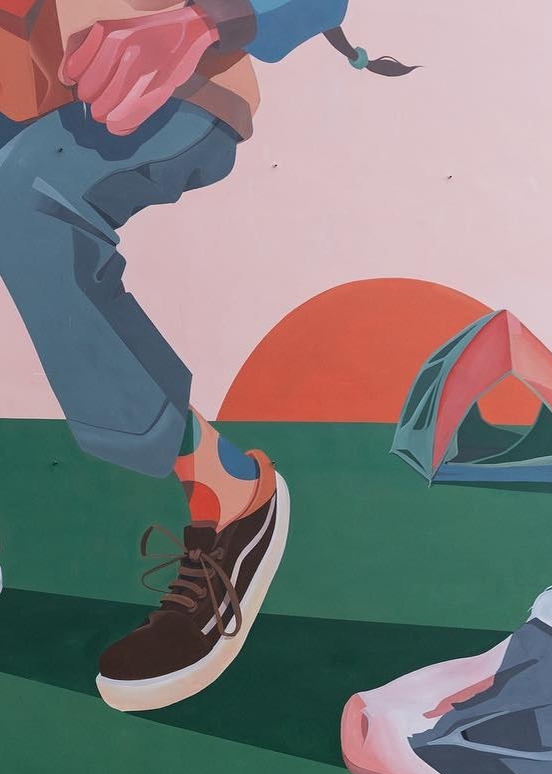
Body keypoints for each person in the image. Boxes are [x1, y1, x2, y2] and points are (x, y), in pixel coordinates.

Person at [0, 0, 413, 713]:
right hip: (27, 98)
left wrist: (199, 23)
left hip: (171, 80)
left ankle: (231, 492)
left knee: (27, 200)